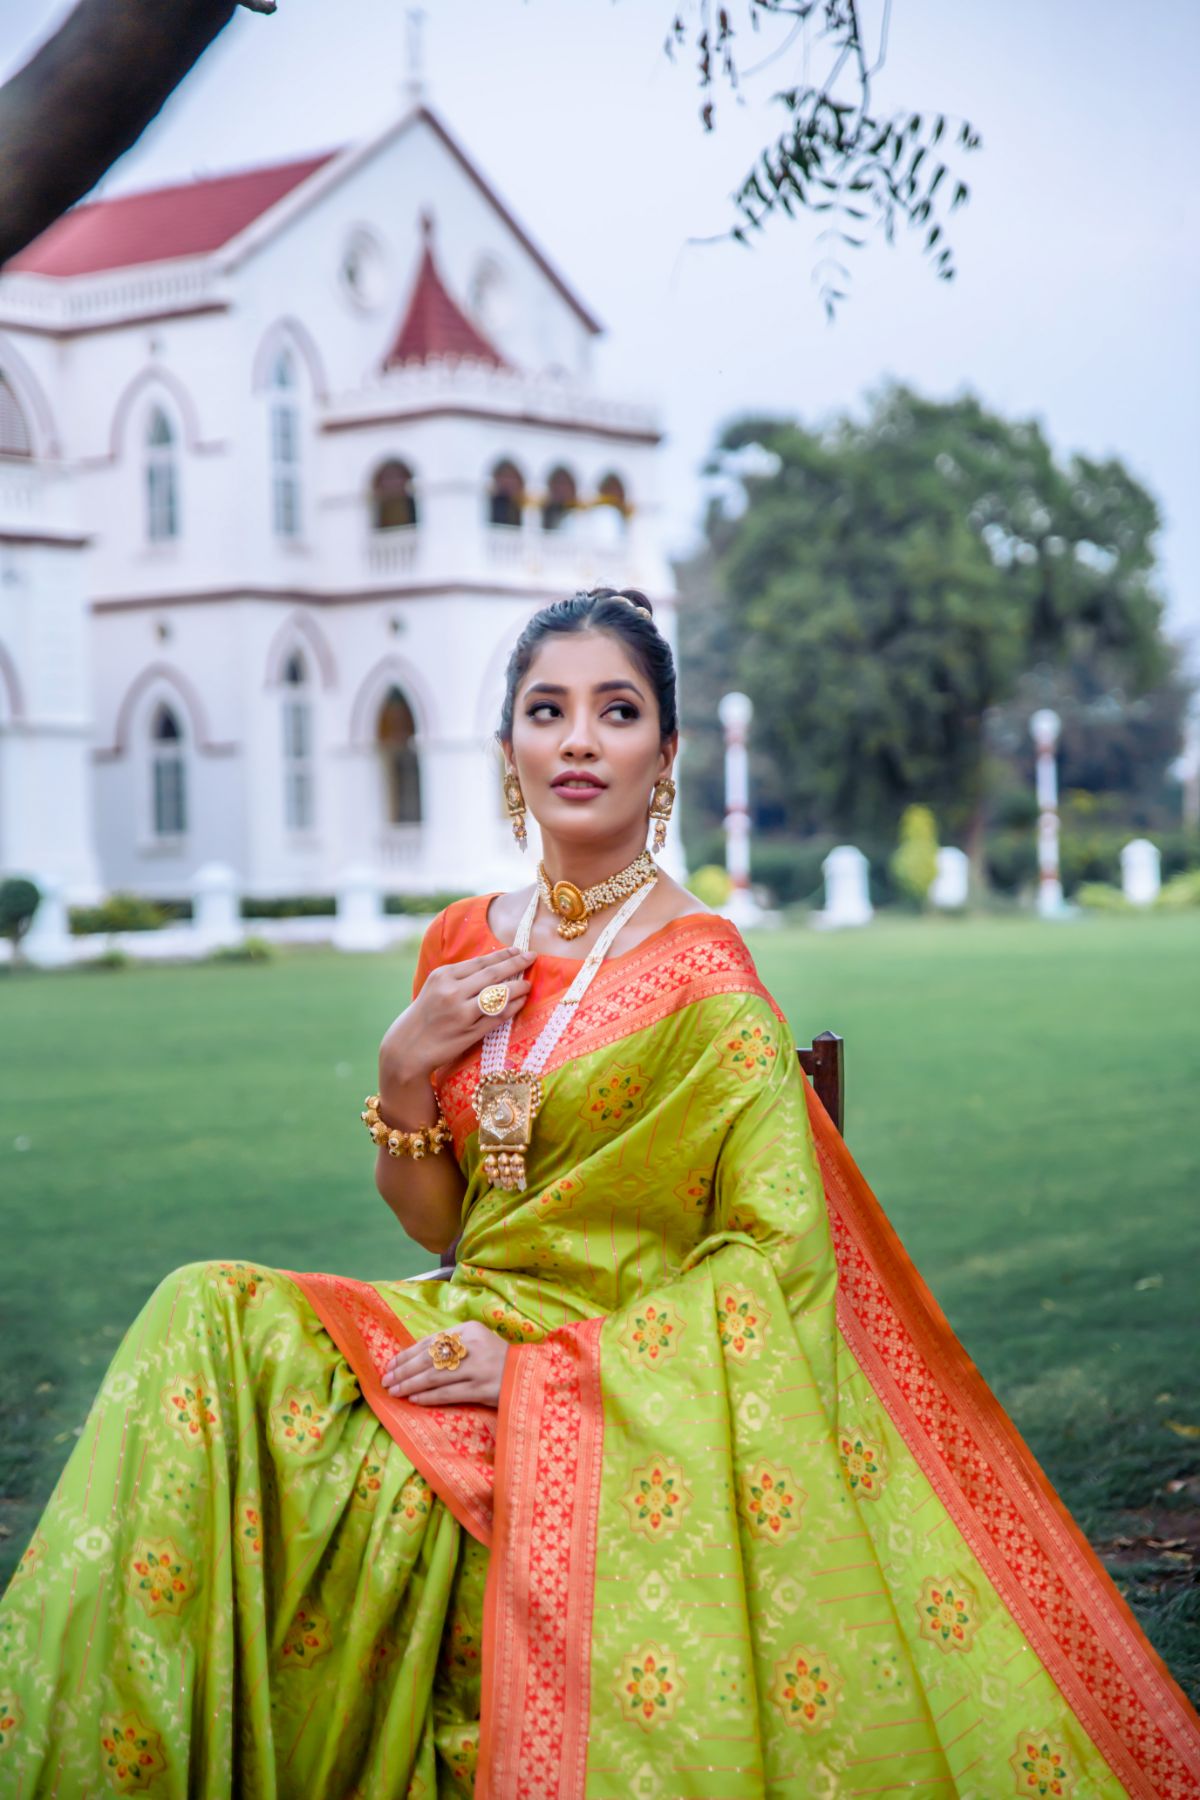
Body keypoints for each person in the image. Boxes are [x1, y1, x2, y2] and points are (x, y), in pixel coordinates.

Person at [1, 587, 1197, 1800]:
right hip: (456, 1312)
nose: (578, 739)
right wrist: (402, 1067)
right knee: (202, 1312)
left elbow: (773, 1265)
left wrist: (541, 1375)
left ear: (663, 754)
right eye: (547, 710)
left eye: (615, 711)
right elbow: (438, 1223)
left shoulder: (706, 978)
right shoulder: (463, 943)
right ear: (511, 747)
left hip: (606, 1369)